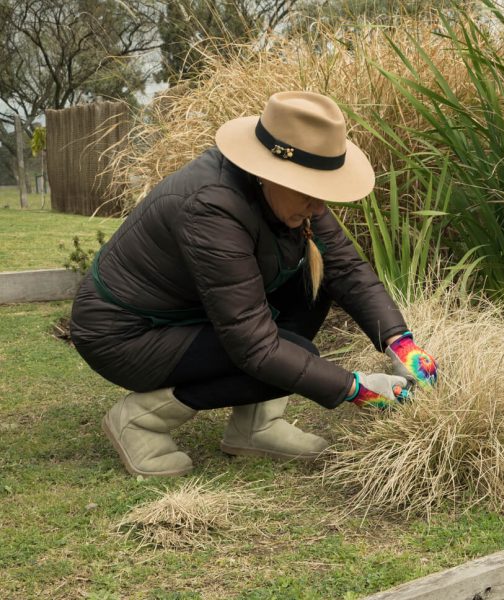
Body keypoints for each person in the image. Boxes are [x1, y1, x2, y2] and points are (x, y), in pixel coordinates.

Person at [70, 91, 438, 478]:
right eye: (310, 191)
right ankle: (140, 420)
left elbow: (346, 269)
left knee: (314, 283)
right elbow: (255, 347)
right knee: (293, 355)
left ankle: (255, 426)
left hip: (187, 312)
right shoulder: (211, 207)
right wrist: (353, 388)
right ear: (270, 172)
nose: (319, 207)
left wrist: (401, 342)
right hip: (126, 335)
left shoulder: (289, 198)